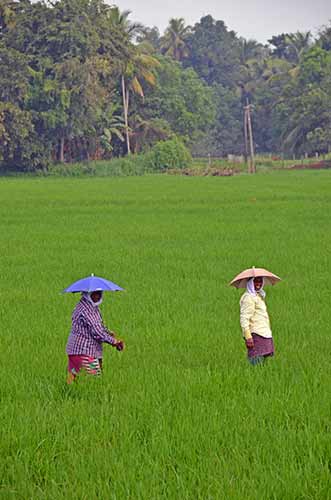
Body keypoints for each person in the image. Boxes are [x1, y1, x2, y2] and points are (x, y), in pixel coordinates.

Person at [66, 290, 125, 383]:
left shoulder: (89, 306)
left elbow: (99, 325)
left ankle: (66, 392)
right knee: (94, 380)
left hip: (75, 351)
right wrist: (114, 342)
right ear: (88, 294)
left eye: (99, 293)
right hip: (84, 351)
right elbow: (97, 332)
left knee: (72, 377)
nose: (97, 296)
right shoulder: (87, 310)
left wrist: (108, 332)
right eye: (94, 293)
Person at [240, 276, 274, 365]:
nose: (258, 284)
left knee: (263, 365)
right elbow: (244, 318)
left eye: (260, 281)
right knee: (256, 361)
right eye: (255, 282)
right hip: (256, 334)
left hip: (264, 333)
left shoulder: (258, 296)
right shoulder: (248, 298)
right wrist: (248, 337)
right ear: (250, 283)